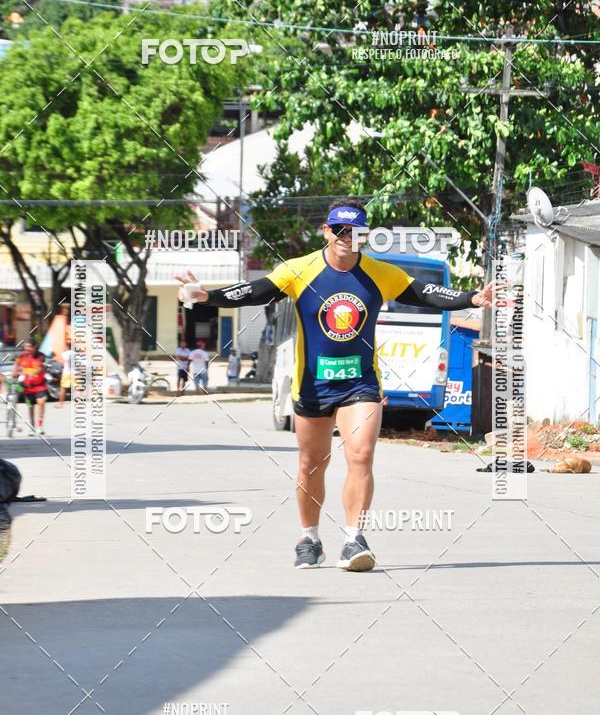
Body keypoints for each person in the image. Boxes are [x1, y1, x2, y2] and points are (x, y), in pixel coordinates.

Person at [175, 200, 492, 571]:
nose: (346, 238)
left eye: (354, 232)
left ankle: (353, 539)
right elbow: (256, 290)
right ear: (326, 231)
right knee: (312, 463)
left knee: (361, 455)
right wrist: (207, 296)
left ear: (364, 236)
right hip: (313, 385)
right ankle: (309, 538)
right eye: (339, 230)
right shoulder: (299, 270)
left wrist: (472, 298)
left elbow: (423, 293)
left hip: (361, 383)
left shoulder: (379, 273)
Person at [13, 338, 48, 436]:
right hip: (27, 386)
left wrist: (35, 373)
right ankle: (32, 428)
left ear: (35, 347)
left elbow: (43, 367)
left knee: (41, 402)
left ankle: (40, 426)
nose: (27, 348)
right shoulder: (21, 356)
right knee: (30, 407)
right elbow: (16, 366)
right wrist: (15, 373)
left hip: (39, 385)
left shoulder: (41, 356)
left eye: (29, 347)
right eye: (25, 346)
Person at [55, 343, 72, 408]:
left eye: (64, 346)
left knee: (63, 388)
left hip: (67, 373)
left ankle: (61, 404)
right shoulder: (75, 353)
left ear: (67, 347)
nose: (64, 347)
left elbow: (64, 362)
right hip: (75, 372)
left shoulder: (65, 353)